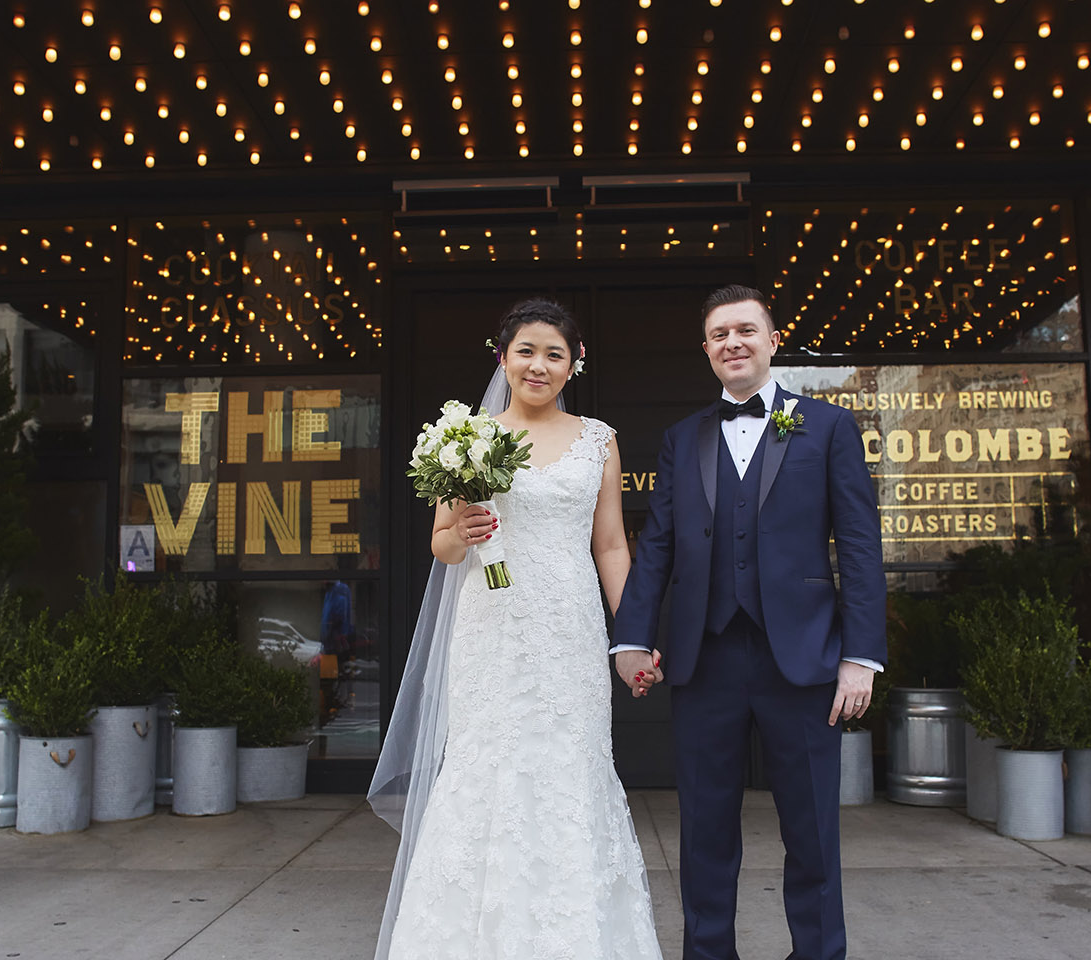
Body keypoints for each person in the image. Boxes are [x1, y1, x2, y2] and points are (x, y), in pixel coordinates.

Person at [370, 299, 661, 960]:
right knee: (490, 767)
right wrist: (460, 533)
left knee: (571, 768)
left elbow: (612, 545)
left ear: (574, 364)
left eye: (555, 353)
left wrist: (633, 632)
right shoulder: (464, 436)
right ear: (502, 357)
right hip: (491, 629)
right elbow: (442, 545)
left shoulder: (598, 439)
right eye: (526, 350)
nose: (539, 364)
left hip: (572, 629)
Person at [612, 284, 887, 960]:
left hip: (805, 659)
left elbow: (857, 545)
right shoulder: (683, 438)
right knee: (705, 829)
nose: (732, 343)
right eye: (718, 335)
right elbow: (659, 546)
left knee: (813, 829)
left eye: (744, 330)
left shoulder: (828, 426)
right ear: (706, 351)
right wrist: (631, 636)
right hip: (705, 660)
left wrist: (862, 655)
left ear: (771, 339)